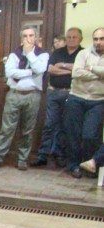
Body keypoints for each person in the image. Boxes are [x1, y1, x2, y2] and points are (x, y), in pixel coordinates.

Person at [0, 26, 49, 171]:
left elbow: (40, 69)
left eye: (31, 35)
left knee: (27, 130)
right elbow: (9, 72)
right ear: (22, 38)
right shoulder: (14, 54)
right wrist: (30, 72)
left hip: (32, 95)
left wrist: (29, 55)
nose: (28, 38)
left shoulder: (42, 54)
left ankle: (22, 159)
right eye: (25, 36)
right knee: (7, 128)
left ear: (36, 37)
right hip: (14, 94)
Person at [33, 27, 83, 168]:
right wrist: (70, 70)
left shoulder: (82, 53)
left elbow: (79, 71)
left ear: (80, 39)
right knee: (49, 124)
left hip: (71, 94)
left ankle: (60, 154)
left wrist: (62, 66)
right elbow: (50, 69)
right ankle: (42, 155)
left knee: (64, 126)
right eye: (69, 37)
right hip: (53, 93)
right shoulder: (58, 52)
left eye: (74, 37)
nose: (71, 39)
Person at [64, 27, 104, 179]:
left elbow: (83, 72)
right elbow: (76, 73)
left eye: (101, 39)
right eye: (96, 39)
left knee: (90, 135)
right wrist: (100, 75)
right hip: (76, 98)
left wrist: (92, 68)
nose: (98, 42)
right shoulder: (83, 53)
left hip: (98, 100)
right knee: (73, 134)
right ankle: (74, 165)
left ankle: (89, 164)